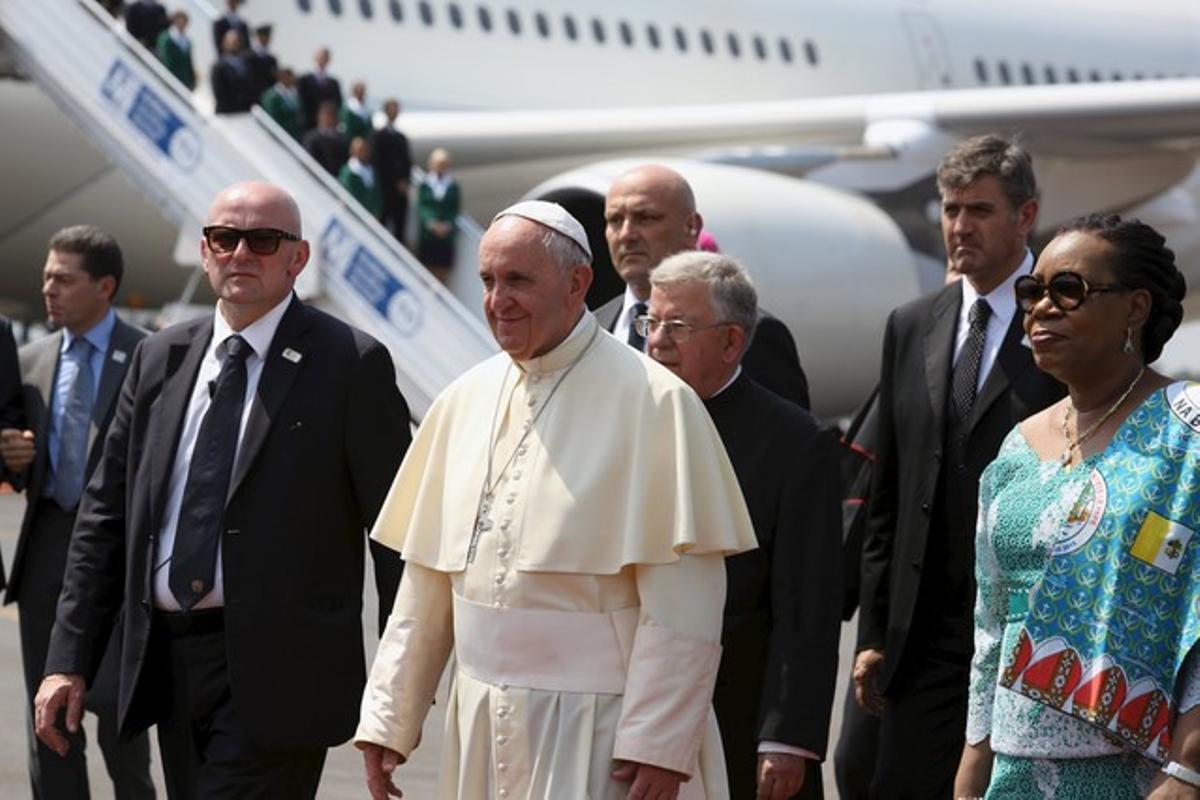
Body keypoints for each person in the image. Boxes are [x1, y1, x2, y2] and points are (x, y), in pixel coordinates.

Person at [355, 200, 756, 800]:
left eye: (518, 280)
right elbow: (426, 585)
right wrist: (390, 719)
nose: (498, 300)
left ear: (577, 284)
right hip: (481, 716)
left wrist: (659, 742)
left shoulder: (657, 404)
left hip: (600, 727)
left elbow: (685, 605)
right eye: (489, 280)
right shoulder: (462, 400)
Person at [35, 181, 412, 798]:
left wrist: (402, 689)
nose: (241, 253)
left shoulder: (349, 364)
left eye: (263, 240)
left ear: (298, 259)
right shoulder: (161, 358)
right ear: (206, 251)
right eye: (224, 238)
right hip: (168, 663)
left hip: (282, 675)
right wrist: (66, 658)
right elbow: (103, 517)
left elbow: (395, 537)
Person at [954, 215, 1199, 798]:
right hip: (1013, 768)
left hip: (1139, 768)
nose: (1041, 308)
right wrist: (975, 759)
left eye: (1069, 290)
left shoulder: (1188, 432)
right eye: (1032, 292)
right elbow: (992, 621)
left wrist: (1189, 767)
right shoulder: (1017, 446)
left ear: (1135, 309)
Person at [853, 134, 1065, 798]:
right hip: (922, 638)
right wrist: (874, 633)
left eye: (979, 210)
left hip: (1027, 632)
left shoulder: (1064, 317)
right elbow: (888, 493)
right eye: (950, 210)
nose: (959, 227)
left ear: (1025, 215)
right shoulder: (912, 324)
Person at [645, 251, 842, 800]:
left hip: (738, 712)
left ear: (732, 343)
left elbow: (807, 606)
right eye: (650, 322)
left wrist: (787, 736)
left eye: (676, 326)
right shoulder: (625, 422)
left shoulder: (796, 442)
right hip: (632, 709)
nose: (656, 341)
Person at [0, 226, 154, 800]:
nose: (49, 289)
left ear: (105, 287)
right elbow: (17, 455)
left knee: (120, 726)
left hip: (117, 564)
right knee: (49, 726)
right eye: (46, 276)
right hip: (44, 560)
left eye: (64, 279)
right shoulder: (30, 359)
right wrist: (9, 455)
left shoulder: (148, 354)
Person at [599, 164, 811, 409]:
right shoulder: (595, 325)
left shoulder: (749, 333)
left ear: (692, 227)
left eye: (645, 218)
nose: (626, 234)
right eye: (614, 220)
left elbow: (781, 436)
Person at [371, 98, 413, 244]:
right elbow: (377, 163)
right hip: (384, 189)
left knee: (399, 229)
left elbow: (407, 162)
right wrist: (395, 180)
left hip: (399, 193)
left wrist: (405, 182)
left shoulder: (401, 138)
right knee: (381, 226)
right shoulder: (378, 136)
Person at [415, 148, 460, 284]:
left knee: (443, 270)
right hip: (428, 235)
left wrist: (447, 225)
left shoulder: (452, 186)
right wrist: (432, 224)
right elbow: (422, 207)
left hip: (446, 236)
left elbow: (454, 209)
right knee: (427, 269)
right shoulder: (425, 184)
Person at [297, 47, 343, 132]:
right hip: (309, 124)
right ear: (315, 58)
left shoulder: (334, 83)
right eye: (320, 57)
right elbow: (301, 102)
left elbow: (338, 103)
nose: (322, 60)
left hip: (328, 127)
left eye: (325, 57)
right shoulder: (304, 80)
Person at [210, 29, 254, 114]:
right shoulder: (219, 67)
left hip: (244, 111)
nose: (235, 45)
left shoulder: (246, 64)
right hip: (227, 113)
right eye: (232, 42)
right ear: (225, 44)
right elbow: (219, 93)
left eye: (237, 42)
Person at [339, 137, 383, 219]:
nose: (364, 153)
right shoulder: (349, 171)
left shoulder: (373, 170)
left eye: (365, 150)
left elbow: (377, 194)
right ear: (353, 151)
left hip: (371, 216)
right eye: (360, 150)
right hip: (354, 216)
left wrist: (377, 210)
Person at [303, 102, 349, 177]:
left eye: (332, 116)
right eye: (325, 116)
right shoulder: (311, 138)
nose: (328, 119)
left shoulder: (341, 140)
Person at [155, 10, 195, 91]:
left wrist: (192, 80)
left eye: (184, 22)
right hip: (168, 79)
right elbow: (164, 58)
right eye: (180, 21)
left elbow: (189, 63)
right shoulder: (166, 37)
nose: (182, 24)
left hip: (183, 82)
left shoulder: (187, 41)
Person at [260, 66, 303, 140]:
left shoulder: (294, 92)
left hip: (295, 133)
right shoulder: (271, 96)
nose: (293, 79)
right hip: (280, 133)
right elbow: (272, 117)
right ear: (283, 78)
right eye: (291, 77)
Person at [245, 23, 278, 100]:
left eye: (267, 37)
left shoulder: (272, 59)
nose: (265, 40)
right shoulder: (247, 56)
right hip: (252, 96)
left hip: (267, 97)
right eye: (262, 37)